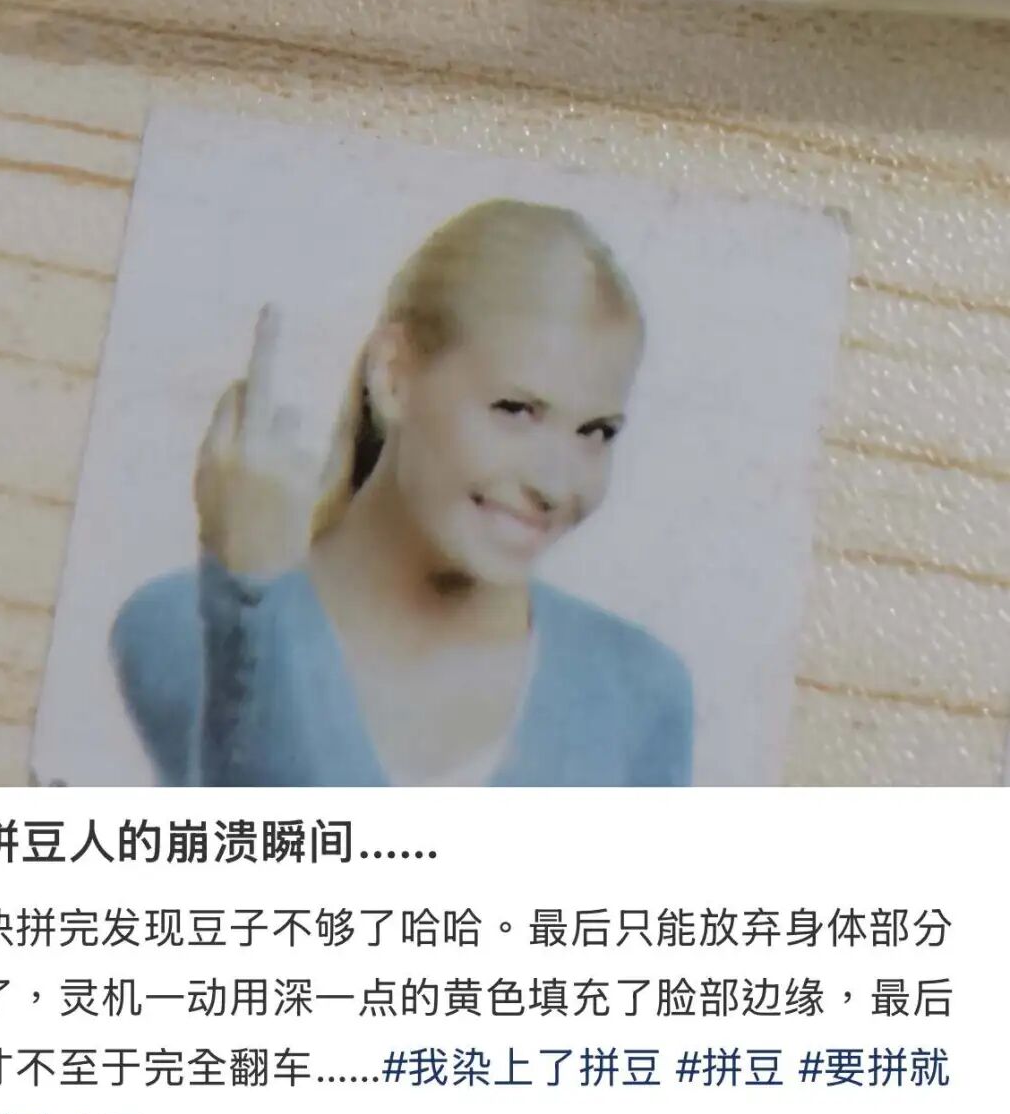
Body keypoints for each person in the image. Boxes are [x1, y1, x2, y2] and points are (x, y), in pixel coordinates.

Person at [111, 199, 693, 786]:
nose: (555, 484)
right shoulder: (176, 629)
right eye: (516, 410)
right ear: (392, 374)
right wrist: (251, 595)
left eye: (596, 433)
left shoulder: (639, 697)